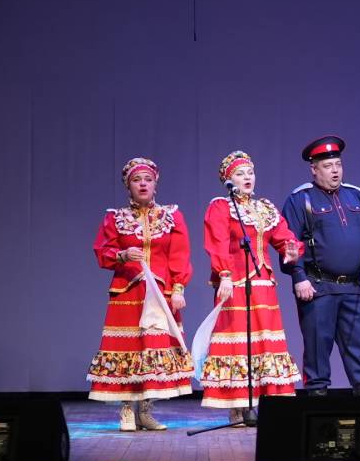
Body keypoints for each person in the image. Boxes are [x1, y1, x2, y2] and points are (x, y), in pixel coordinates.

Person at [281, 135, 360, 396]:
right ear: (314, 169)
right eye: (328, 166)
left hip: (352, 287)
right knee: (317, 349)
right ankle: (317, 398)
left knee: (358, 347)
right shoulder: (301, 199)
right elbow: (288, 243)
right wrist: (298, 277)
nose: (335, 171)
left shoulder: (356, 195)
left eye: (338, 165)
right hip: (318, 287)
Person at [88, 157, 194, 431]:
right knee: (128, 349)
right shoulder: (115, 217)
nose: (143, 184)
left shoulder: (171, 216)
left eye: (148, 179)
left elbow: (180, 255)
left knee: (153, 349)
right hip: (128, 291)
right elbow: (102, 251)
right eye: (136, 180)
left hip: (159, 292)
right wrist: (122, 255)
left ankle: (146, 411)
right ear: (128, 186)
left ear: (156, 184)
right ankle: (126, 409)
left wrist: (178, 288)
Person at [201, 150, 303, 423]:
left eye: (250, 172)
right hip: (234, 284)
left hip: (263, 283)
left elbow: (283, 237)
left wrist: (292, 249)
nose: (247, 177)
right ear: (229, 179)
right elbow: (218, 243)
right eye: (240, 173)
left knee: (263, 343)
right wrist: (224, 275)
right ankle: (237, 405)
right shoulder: (221, 207)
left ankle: (260, 401)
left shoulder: (265, 208)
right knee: (239, 343)